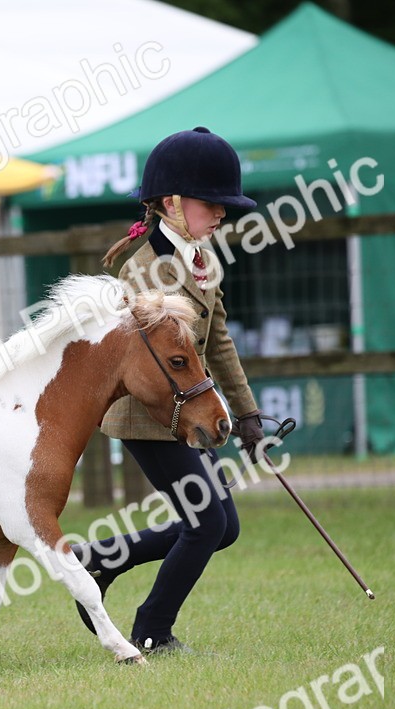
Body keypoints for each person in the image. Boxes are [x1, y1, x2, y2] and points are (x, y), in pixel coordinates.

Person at [71, 127, 265, 656]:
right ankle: (152, 629)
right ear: (172, 204)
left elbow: (217, 341)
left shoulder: (202, 260)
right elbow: (150, 361)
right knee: (206, 525)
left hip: (188, 409)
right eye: (213, 204)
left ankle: (103, 558)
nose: (222, 214)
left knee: (222, 528)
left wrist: (246, 413)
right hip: (149, 414)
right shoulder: (145, 271)